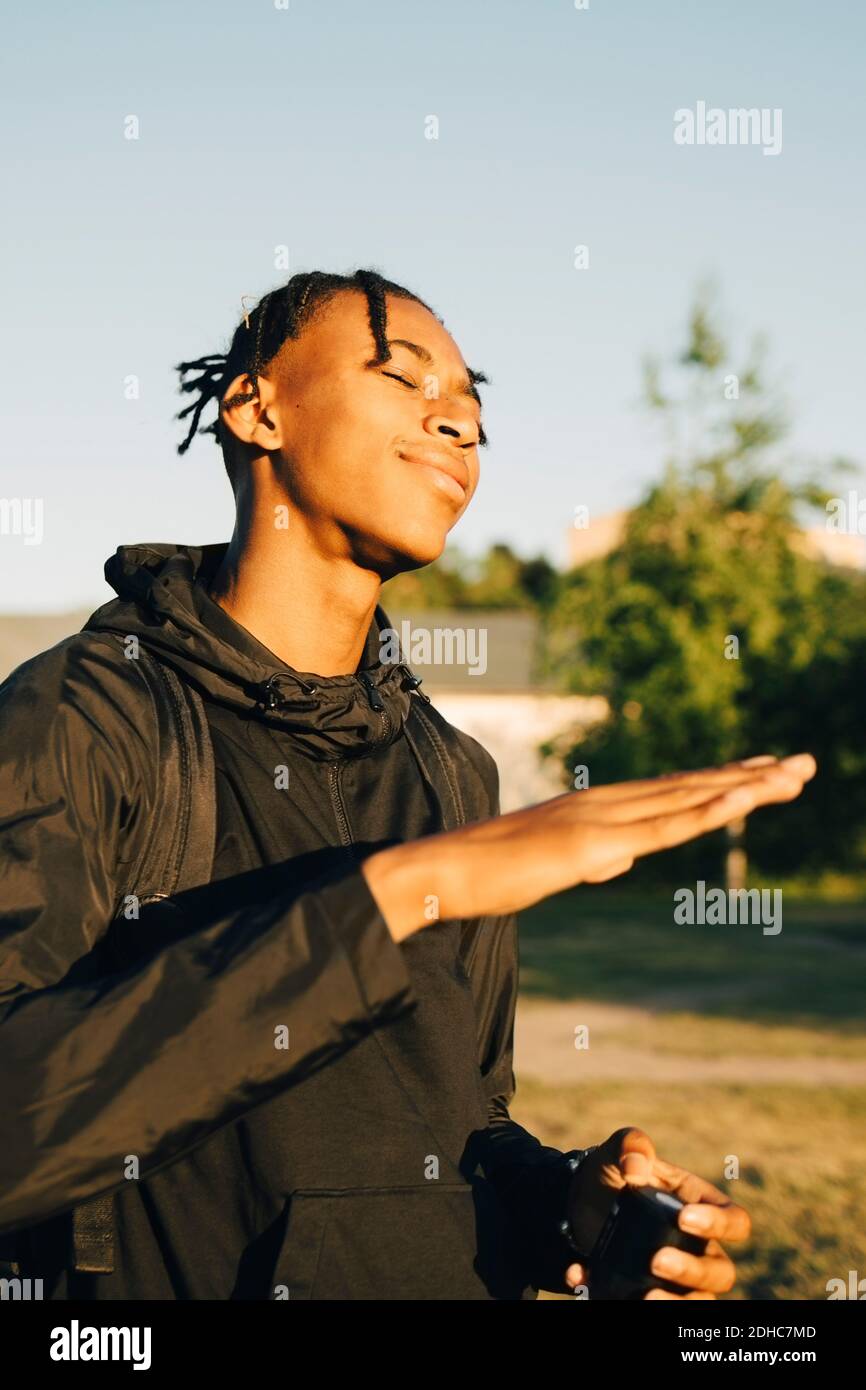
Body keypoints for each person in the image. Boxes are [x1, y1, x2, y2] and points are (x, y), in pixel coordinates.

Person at [0, 268, 815, 1301]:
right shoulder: (84, 716)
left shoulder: (449, 770)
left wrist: (560, 1198)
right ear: (255, 409)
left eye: (472, 405)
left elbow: (456, 1121)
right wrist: (394, 896)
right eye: (404, 377)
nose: (460, 423)